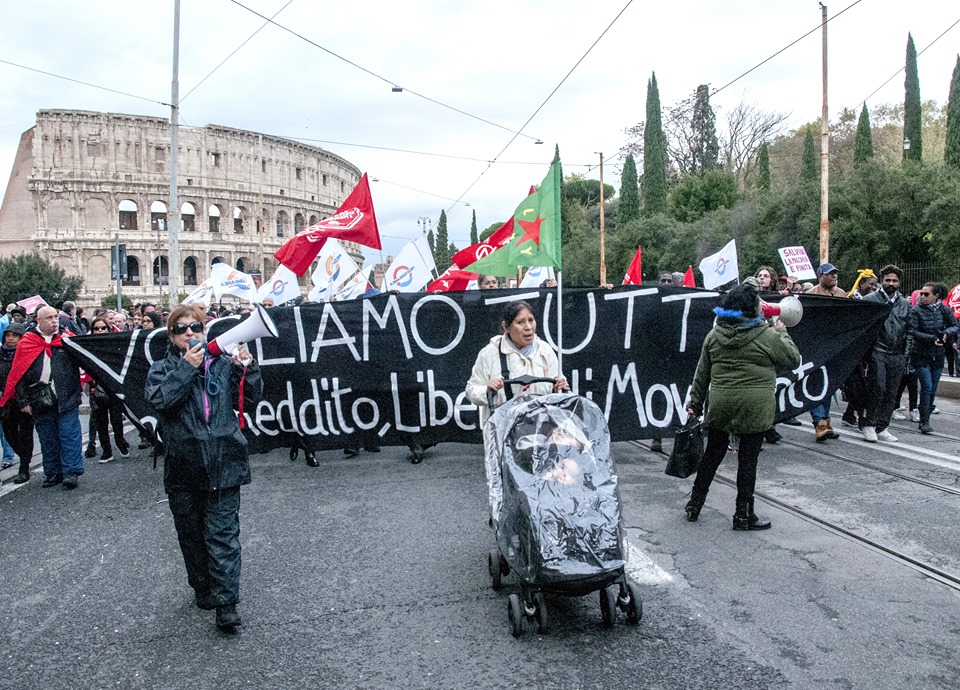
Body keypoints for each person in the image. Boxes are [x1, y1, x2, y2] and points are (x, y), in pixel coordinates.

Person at [145, 304, 262, 633]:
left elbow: (250, 400)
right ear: (171, 336)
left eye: (195, 327)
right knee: (192, 536)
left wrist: (247, 370)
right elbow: (160, 402)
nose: (190, 333)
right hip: (184, 469)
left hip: (225, 463)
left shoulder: (223, 365)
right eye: (181, 329)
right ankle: (202, 586)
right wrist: (186, 370)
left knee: (223, 537)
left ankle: (227, 604)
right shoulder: (161, 369)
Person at [684, 284, 800, 531]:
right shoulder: (766, 335)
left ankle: (694, 504)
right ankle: (743, 515)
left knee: (712, 455)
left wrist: (694, 403)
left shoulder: (713, 336)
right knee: (748, 461)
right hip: (754, 407)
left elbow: (701, 374)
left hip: (721, 404)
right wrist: (782, 332)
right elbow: (792, 359)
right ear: (751, 309)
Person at [0, 305, 84, 489]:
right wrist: (23, 400)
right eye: (49, 318)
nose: (54, 321)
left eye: (55, 317)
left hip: (66, 396)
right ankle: (53, 472)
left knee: (69, 435)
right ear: (39, 320)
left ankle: (71, 472)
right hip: (39, 398)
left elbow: (84, 364)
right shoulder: (28, 342)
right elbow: (18, 373)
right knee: (47, 437)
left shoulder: (67, 340)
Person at [465, 300, 570, 428]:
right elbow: (471, 391)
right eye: (520, 322)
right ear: (506, 327)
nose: (528, 327)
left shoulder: (545, 350)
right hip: (503, 432)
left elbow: (557, 392)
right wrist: (487, 390)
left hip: (541, 430)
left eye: (531, 320)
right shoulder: (489, 353)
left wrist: (558, 387)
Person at [859, 265, 911, 443]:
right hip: (877, 351)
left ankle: (882, 426)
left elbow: (909, 330)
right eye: (888, 280)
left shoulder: (905, 304)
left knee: (892, 392)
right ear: (881, 281)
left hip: (897, 354)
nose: (891, 283)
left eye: (894, 281)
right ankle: (868, 424)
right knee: (877, 388)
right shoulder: (870, 300)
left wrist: (905, 354)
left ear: (899, 283)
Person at [906, 282, 959, 434]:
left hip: (937, 355)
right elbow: (913, 331)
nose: (922, 296)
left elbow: (955, 325)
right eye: (921, 293)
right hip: (921, 355)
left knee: (933, 388)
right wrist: (931, 338)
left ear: (936, 296)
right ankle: (924, 421)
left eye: (926, 294)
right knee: (927, 386)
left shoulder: (944, 309)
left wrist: (946, 333)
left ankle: (926, 415)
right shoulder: (916, 310)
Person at [805, 263, 846, 441]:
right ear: (820, 276)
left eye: (835, 274)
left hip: (834, 346)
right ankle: (819, 422)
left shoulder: (841, 293)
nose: (833, 277)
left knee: (829, 385)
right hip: (816, 345)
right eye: (830, 274)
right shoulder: (811, 294)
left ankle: (825, 422)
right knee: (816, 384)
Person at [84, 316, 130, 462]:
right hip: (96, 388)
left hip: (113, 387)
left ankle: (120, 442)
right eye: (96, 328)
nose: (100, 330)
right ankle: (106, 451)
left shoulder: (113, 344)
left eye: (103, 328)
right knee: (101, 422)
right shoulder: (88, 346)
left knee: (116, 419)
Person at [0, 323, 35, 483]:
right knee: (10, 435)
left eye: (14, 335)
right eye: (8, 335)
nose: (11, 339)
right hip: (7, 403)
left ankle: (24, 468)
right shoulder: (1, 355)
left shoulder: (27, 353)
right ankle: (25, 457)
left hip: (25, 401)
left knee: (26, 434)